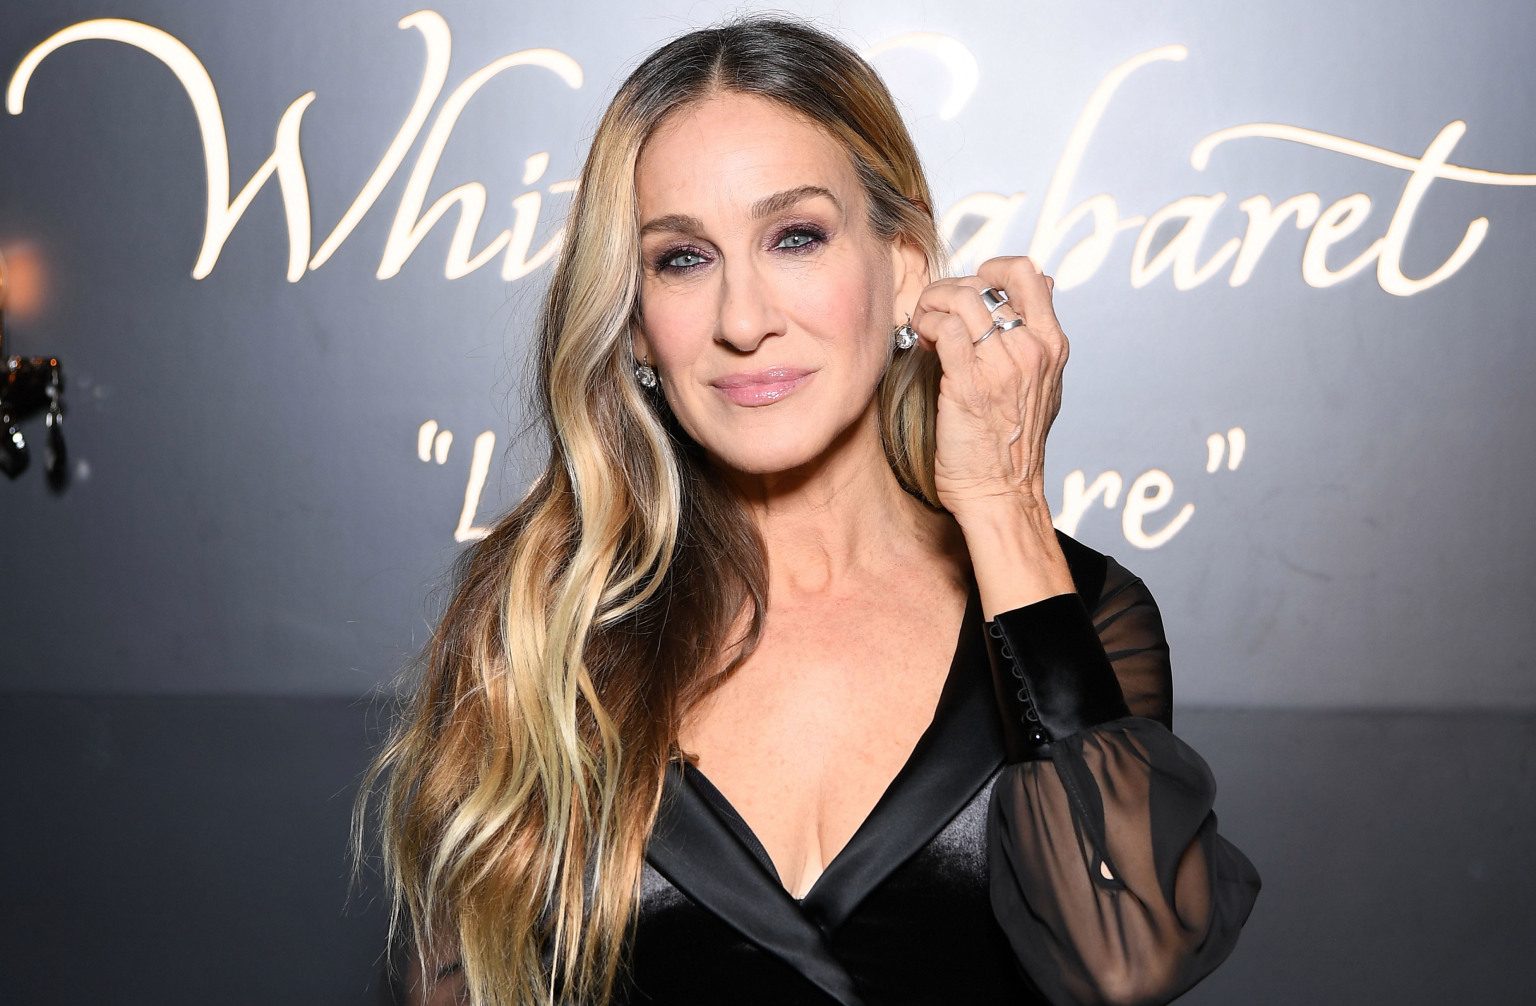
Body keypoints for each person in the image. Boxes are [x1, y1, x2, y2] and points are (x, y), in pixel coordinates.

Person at [353, 14, 1261, 1006]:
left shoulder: (1075, 611)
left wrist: (1001, 502)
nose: (744, 320)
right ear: (638, 323)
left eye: (796, 237)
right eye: (682, 258)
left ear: (905, 265)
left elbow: (1124, 952)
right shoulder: (541, 623)